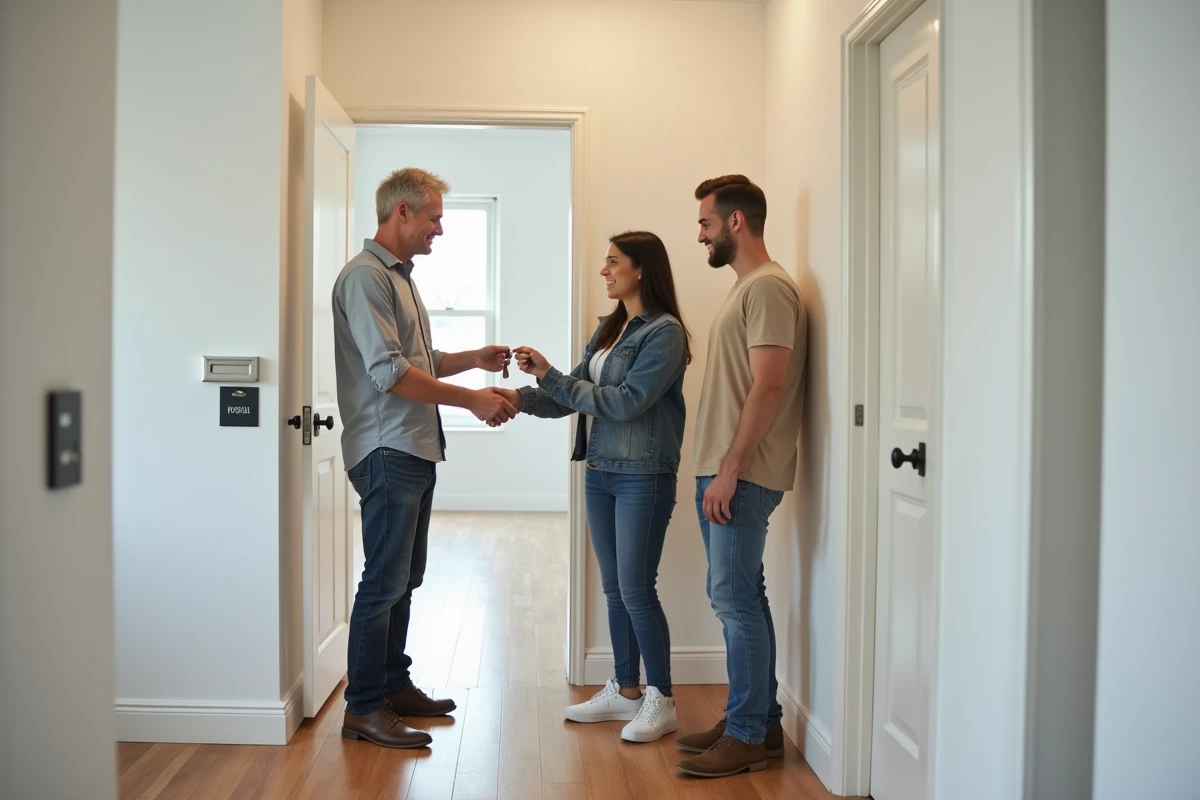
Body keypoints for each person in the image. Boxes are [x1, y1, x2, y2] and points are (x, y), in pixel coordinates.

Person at [332, 167, 517, 749]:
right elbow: (389, 373)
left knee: (404, 578)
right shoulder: (365, 278)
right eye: (434, 216)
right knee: (383, 581)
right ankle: (363, 708)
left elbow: (419, 357)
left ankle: (392, 686)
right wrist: (473, 400)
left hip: (412, 447)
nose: (440, 227)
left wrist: (474, 359)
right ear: (401, 213)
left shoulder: (399, 279)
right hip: (387, 447)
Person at [499, 231, 691, 744]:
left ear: (641, 269)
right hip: (601, 471)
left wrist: (553, 376)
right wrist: (515, 397)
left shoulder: (665, 333)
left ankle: (662, 699)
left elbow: (627, 401)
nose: (604, 271)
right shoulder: (612, 328)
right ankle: (626, 689)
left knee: (636, 589)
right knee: (613, 589)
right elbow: (572, 397)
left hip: (643, 475)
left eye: (613, 262)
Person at [674, 176, 807, 778]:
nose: (699, 232)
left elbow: (770, 385)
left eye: (705, 222)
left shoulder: (771, 289)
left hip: (742, 474)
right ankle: (759, 723)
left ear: (735, 223)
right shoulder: (748, 288)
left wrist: (729, 470)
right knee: (743, 596)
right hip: (727, 471)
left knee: (732, 599)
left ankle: (748, 732)